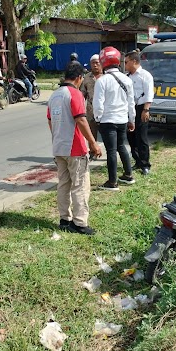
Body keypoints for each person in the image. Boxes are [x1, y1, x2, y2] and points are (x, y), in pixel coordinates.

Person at [47, 61, 102, 235]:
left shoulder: (54, 95)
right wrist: (93, 143)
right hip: (75, 148)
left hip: (59, 147)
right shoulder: (75, 94)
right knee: (80, 185)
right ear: (79, 78)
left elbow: (50, 121)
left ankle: (65, 219)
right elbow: (81, 120)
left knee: (63, 184)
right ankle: (80, 223)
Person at [93, 46, 136, 190]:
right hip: (122, 120)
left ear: (103, 62)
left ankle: (112, 182)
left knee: (111, 150)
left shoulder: (102, 80)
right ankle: (128, 175)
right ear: (118, 61)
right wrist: (132, 119)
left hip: (108, 121)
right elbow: (131, 103)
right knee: (121, 147)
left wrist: (97, 118)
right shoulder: (127, 80)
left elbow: (98, 104)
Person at [125, 51, 154, 175]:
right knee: (131, 136)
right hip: (130, 108)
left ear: (134, 61)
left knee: (141, 137)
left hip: (141, 108)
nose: (124, 64)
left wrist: (146, 109)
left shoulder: (145, 75)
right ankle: (137, 160)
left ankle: (145, 164)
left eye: (126, 62)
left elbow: (149, 93)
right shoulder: (127, 77)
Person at [79, 54, 102, 141]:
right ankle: (93, 152)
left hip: (105, 113)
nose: (95, 65)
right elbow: (82, 95)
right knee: (92, 136)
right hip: (91, 112)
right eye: (93, 63)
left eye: (97, 63)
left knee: (107, 136)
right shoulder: (87, 77)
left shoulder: (107, 76)